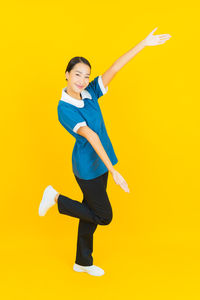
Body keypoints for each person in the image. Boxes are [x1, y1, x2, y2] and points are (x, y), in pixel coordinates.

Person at [38, 27, 171, 276]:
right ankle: (55, 198)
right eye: (77, 74)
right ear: (66, 75)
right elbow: (91, 135)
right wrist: (113, 170)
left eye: (86, 76)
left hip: (100, 163)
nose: (82, 80)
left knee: (89, 212)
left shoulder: (89, 93)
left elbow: (114, 68)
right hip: (88, 168)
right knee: (103, 215)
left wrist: (143, 43)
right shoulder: (64, 108)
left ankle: (82, 262)